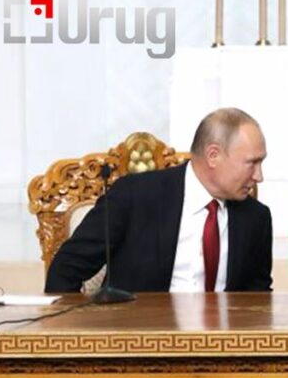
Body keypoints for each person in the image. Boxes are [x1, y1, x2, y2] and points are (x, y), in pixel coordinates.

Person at [45, 107, 272, 293]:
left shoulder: (256, 218)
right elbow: (65, 270)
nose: (258, 176)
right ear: (213, 155)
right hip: (138, 332)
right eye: (252, 163)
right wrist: (80, 329)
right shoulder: (133, 197)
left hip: (224, 336)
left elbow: (257, 301)